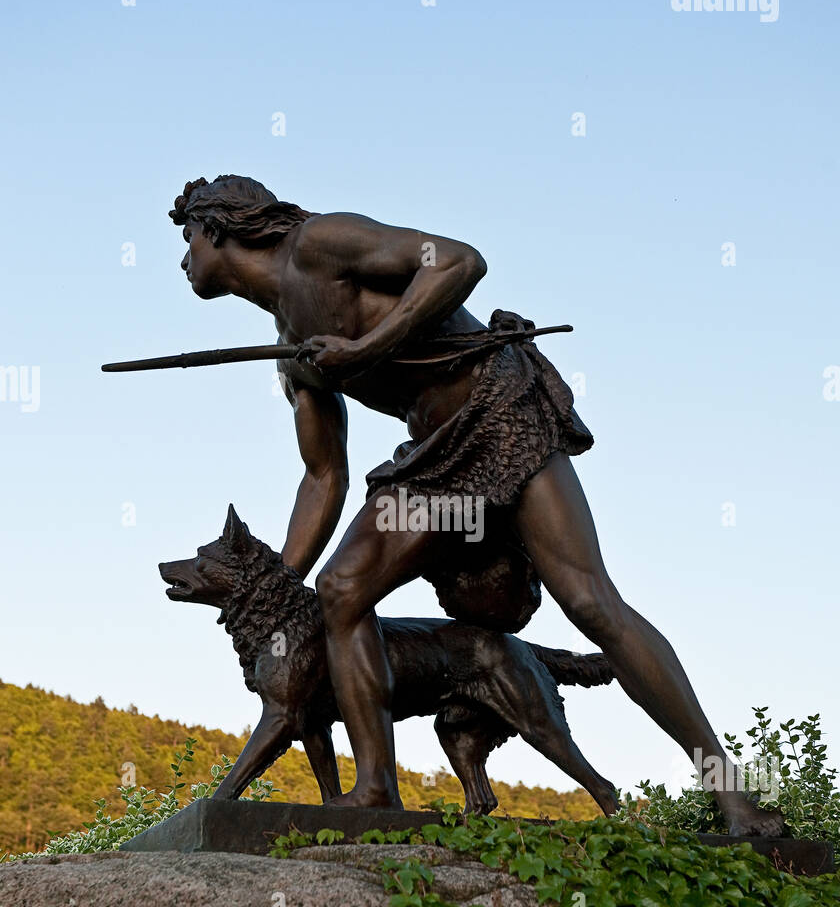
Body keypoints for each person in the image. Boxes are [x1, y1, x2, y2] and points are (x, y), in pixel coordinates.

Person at [169, 174, 783, 835]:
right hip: (434, 458)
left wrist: (370, 346)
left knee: (589, 602)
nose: (183, 260)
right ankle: (376, 789)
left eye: (186, 240)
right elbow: (323, 478)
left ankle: (731, 795)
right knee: (341, 588)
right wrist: (274, 586)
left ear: (216, 228)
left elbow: (459, 259)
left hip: (496, 412)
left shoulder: (321, 244)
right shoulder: (293, 360)